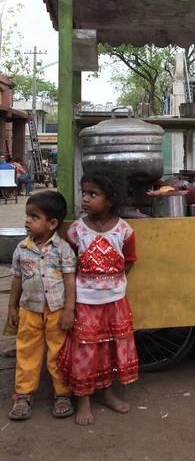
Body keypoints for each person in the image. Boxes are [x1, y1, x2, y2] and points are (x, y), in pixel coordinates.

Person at [58, 170, 138, 426]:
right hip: (85, 303)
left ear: (110, 199)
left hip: (115, 303)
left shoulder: (124, 231)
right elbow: (69, 266)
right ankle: (82, 400)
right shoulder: (76, 231)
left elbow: (129, 262)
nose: (85, 199)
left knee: (110, 349)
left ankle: (108, 394)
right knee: (85, 351)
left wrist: (110, 284)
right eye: (84, 193)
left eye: (93, 194)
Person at [8, 191, 77, 420]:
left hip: (56, 309)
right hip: (29, 309)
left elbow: (69, 280)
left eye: (34, 217)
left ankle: (62, 393)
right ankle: (24, 394)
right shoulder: (21, 249)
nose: (27, 221)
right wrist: (12, 307)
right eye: (27, 215)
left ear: (52, 223)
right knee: (26, 351)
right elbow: (17, 279)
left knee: (58, 352)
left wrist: (69, 310)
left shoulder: (63, 250)